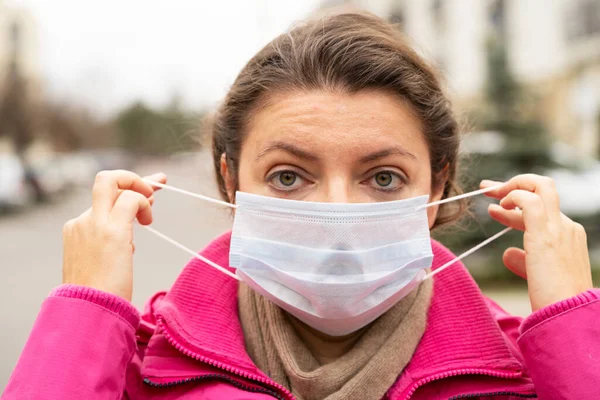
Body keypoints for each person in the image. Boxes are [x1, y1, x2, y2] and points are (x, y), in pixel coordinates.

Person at [3, 11, 598, 400]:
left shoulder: (527, 373)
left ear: (438, 186)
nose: (337, 217)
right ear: (229, 179)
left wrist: (573, 324)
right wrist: (88, 311)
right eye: (289, 176)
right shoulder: (129, 368)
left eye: (384, 178)